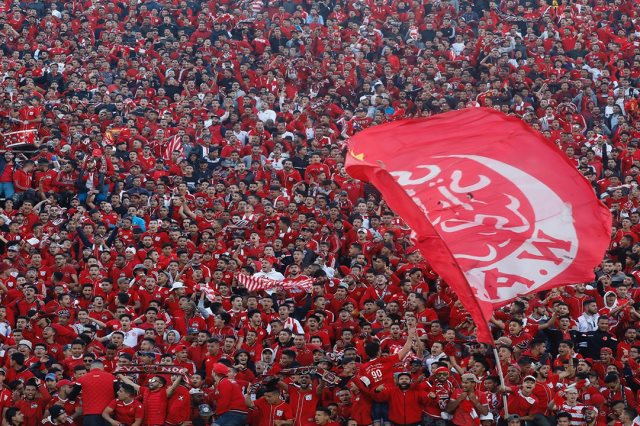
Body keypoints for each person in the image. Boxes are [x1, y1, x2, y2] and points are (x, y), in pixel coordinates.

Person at [117, 374, 183, 426]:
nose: (151, 382)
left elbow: (173, 387)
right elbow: (131, 384)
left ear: (160, 385)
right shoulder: (145, 390)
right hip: (144, 423)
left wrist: (180, 375)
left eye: (154, 381)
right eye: (151, 380)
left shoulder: (164, 393)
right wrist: (119, 374)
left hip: (157, 424)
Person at [75, 361, 116, 426]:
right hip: (108, 415)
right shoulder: (112, 377)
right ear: (102, 368)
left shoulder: (82, 379)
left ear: (91, 368)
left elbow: (72, 396)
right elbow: (118, 394)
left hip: (89, 415)